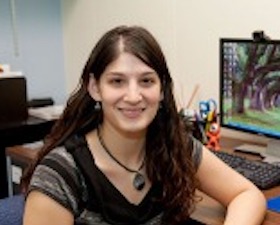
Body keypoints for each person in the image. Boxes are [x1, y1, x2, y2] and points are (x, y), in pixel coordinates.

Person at [22, 25, 266, 225]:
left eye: (146, 81)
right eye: (117, 81)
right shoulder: (60, 175)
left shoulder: (172, 147)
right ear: (95, 87)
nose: (133, 96)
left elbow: (246, 194)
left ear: (161, 90)